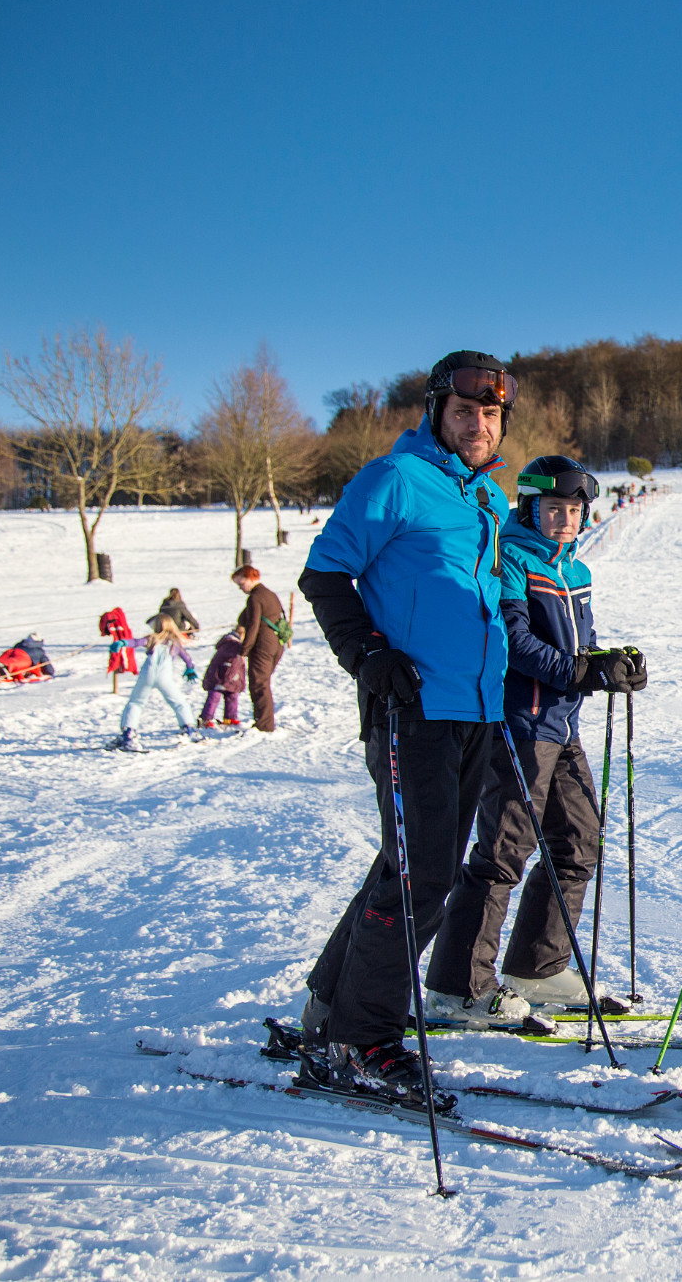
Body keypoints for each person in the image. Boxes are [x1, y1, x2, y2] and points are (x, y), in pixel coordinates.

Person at [290, 349, 516, 1108]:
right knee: (422, 877)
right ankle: (365, 1035)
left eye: (490, 413)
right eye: (464, 411)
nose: (478, 423)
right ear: (434, 410)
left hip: (474, 710)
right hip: (412, 707)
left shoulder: (484, 497)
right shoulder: (396, 478)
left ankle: (330, 1004)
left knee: (411, 867)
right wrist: (369, 652)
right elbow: (324, 572)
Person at [424, 455, 648, 1027]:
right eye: (553, 509)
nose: (565, 520)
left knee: (579, 840)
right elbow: (516, 645)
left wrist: (610, 664)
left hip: (560, 725)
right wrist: (581, 672)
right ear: (529, 507)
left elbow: (580, 647)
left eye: (574, 510)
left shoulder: (574, 570)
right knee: (503, 850)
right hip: (519, 725)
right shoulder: (511, 560)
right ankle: (458, 986)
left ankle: (538, 967)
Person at [114, 615, 198, 750]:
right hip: (164, 677)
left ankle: (128, 733)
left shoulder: (152, 639)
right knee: (179, 703)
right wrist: (190, 669)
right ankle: (189, 729)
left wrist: (123, 643)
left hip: (146, 675)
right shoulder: (175, 642)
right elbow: (187, 657)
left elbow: (135, 642)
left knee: (136, 702)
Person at [231, 567, 286, 731]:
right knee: (263, 683)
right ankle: (264, 722)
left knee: (259, 685)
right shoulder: (270, 594)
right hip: (276, 644)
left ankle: (264, 725)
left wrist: (244, 650)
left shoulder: (255, 597)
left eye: (241, 583)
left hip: (262, 645)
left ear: (249, 578)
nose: (240, 588)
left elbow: (253, 625)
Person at [199, 625, 248, 727]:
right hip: (226, 676)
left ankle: (227, 718)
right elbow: (234, 664)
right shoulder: (234, 645)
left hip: (217, 674)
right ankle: (207, 718)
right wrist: (230, 678)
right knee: (223, 695)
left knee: (222, 695)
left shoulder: (226, 642)